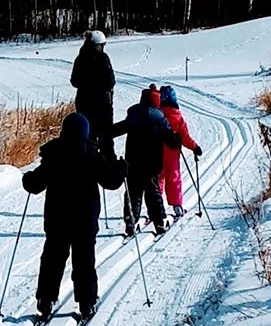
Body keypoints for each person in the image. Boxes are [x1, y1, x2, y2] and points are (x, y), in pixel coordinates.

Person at [22, 112, 126, 322]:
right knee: (84, 259)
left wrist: (28, 178)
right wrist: (122, 169)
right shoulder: (92, 154)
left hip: (57, 217)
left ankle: (45, 300)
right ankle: (86, 303)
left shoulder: (54, 154)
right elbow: (111, 182)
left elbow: (34, 185)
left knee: (53, 257)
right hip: (84, 218)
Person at [112, 87, 181, 236]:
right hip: (152, 163)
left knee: (133, 191)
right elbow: (171, 140)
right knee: (153, 192)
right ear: (157, 101)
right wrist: (177, 139)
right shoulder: (160, 118)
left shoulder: (133, 115)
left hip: (133, 161)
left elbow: (119, 128)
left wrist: (103, 134)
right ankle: (159, 222)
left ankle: (130, 220)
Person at [158, 84, 202, 219]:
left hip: (157, 154)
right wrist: (195, 147)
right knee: (174, 179)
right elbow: (185, 137)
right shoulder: (177, 117)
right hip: (172, 155)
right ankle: (177, 206)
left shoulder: (157, 115)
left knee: (158, 180)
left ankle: (157, 207)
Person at [70, 30, 116, 155]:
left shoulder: (80, 58)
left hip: (84, 103)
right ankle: (108, 167)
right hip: (103, 105)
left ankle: (88, 166)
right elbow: (111, 80)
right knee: (106, 138)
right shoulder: (103, 58)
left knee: (88, 137)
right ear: (98, 45)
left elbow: (74, 81)